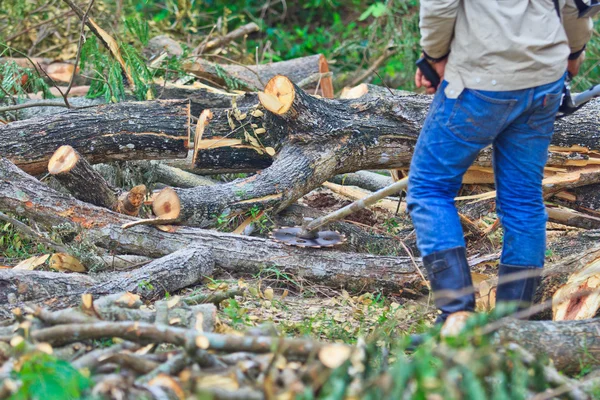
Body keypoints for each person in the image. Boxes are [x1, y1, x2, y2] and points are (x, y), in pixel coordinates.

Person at [407, 0, 594, 323]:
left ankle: (457, 314)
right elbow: (576, 4)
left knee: (429, 189)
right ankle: (512, 324)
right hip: (544, 77)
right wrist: (574, 51)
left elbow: (440, 5)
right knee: (523, 199)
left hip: (481, 78)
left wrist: (434, 57)